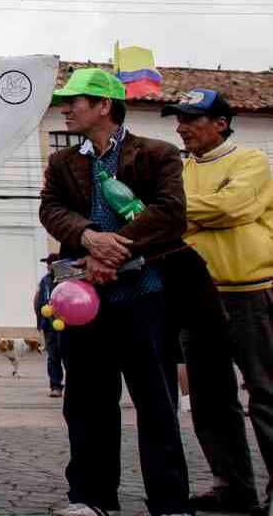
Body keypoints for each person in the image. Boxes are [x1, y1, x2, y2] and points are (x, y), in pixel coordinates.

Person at [38, 67, 193, 516]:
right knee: (86, 402)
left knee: (156, 402)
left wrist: (112, 253)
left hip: (143, 295)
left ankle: (170, 501)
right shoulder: (63, 161)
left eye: (75, 101)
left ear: (104, 105)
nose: (66, 108)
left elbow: (170, 214)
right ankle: (91, 497)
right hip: (83, 302)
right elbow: (51, 209)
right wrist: (89, 238)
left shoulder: (157, 154)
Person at [165, 88, 273, 514]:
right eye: (180, 120)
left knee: (265, 394)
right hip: (196, 296)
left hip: (249, 292)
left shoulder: (251, 161)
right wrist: (188, 213)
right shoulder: (181, 169)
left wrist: (180, 213)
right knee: (210, 400)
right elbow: (173, 214)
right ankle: (232, 485)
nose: (182, 128)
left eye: (191, 120)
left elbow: (235, 206)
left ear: (221, 123)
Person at [34, 258, 65, 397]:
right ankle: (55, 385)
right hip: (49, 324)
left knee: (69, 355)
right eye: (47, 263)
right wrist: (39, 321)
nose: (48, 266)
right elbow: (38, 299)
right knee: (53, 356)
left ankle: (75, 386)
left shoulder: (65, 278)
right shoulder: (44, 281)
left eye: (51, 263)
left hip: (65, 322)